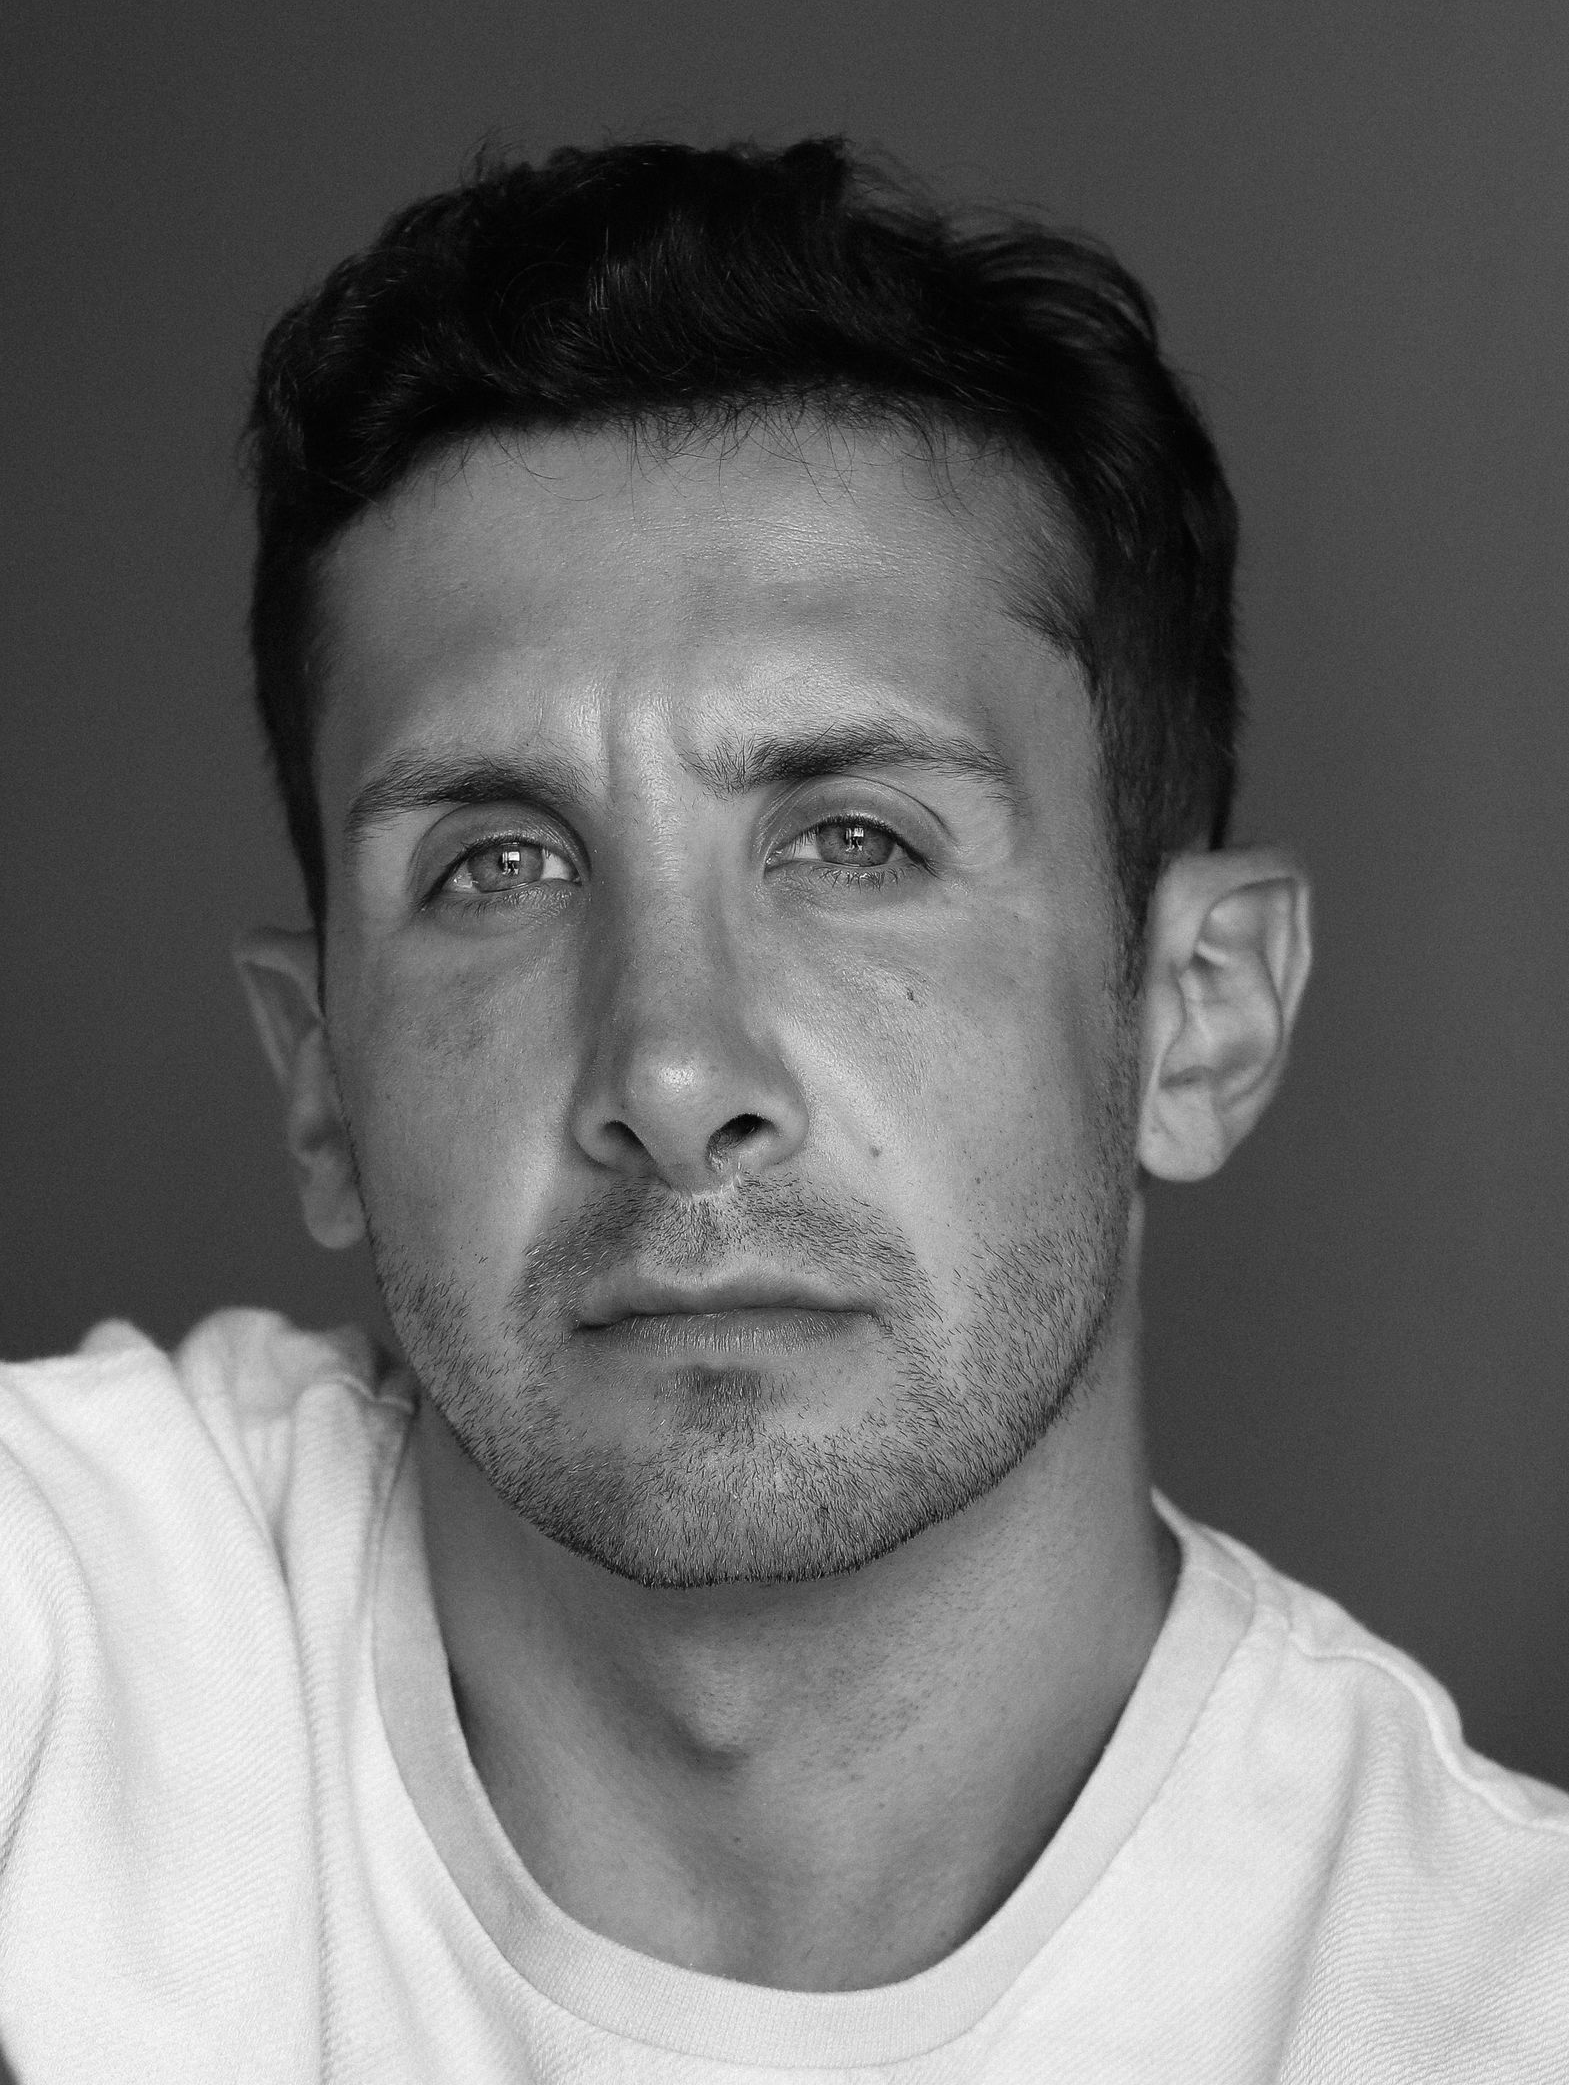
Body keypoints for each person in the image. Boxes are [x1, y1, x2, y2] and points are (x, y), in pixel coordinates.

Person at [0, 138, 1563, 2084]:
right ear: (319, 1074)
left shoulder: (1488, 2008)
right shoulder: (76, 1658)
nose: (672, 1080)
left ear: (1195, 1014)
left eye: (853, 842)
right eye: (497, 866)